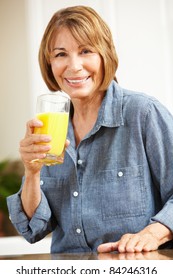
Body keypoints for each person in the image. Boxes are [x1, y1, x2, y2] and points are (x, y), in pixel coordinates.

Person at [7, 5, 173, 254]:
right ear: (49, 63)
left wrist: (152, 234)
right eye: (61, 54)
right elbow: (33, 228)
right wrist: (32, 173)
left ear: (105, 54)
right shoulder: (51, 129)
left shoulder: (143, 113)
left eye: (85, 51)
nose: (74, 66)